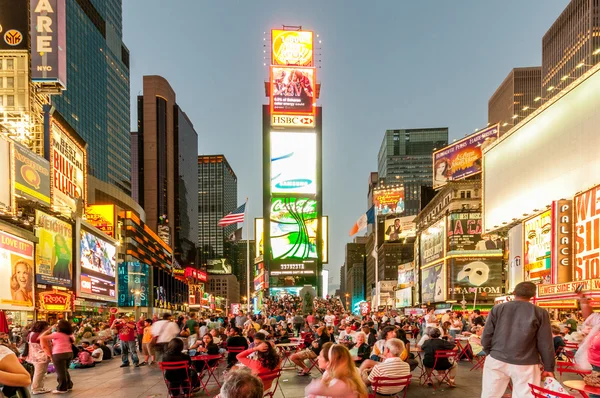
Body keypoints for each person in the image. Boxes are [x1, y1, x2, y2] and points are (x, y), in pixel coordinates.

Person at [481, 281, 555, 398]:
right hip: (526, 362)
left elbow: (487, 335)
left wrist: (489, 352)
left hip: (497, 358)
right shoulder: (540, 312)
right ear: (533, 295)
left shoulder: (498, 308)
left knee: (490, 394)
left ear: (514, 292)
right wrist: (548, 366)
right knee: (525, 395)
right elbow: (545, 342)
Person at [40, 320, 74, 393]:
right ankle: (68, 385)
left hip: (59, 354)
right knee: (64, 370)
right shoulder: (70, 334)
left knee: (60, 372)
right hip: (69, 353)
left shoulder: (57, 334)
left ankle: (62, 388)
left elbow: (42, 337)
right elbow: (73, 341)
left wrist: (49, 330)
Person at [26, 320, 51, 395]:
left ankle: (40, 387)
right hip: (41, 356)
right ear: (43, 327)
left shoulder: (30, 334)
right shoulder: (41, 335)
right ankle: (36, 388)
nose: (48, 327)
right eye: (47, 326)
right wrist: (50, 355)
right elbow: (45, 346)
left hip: (32, 355)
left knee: (39, 372)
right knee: (39, 373)